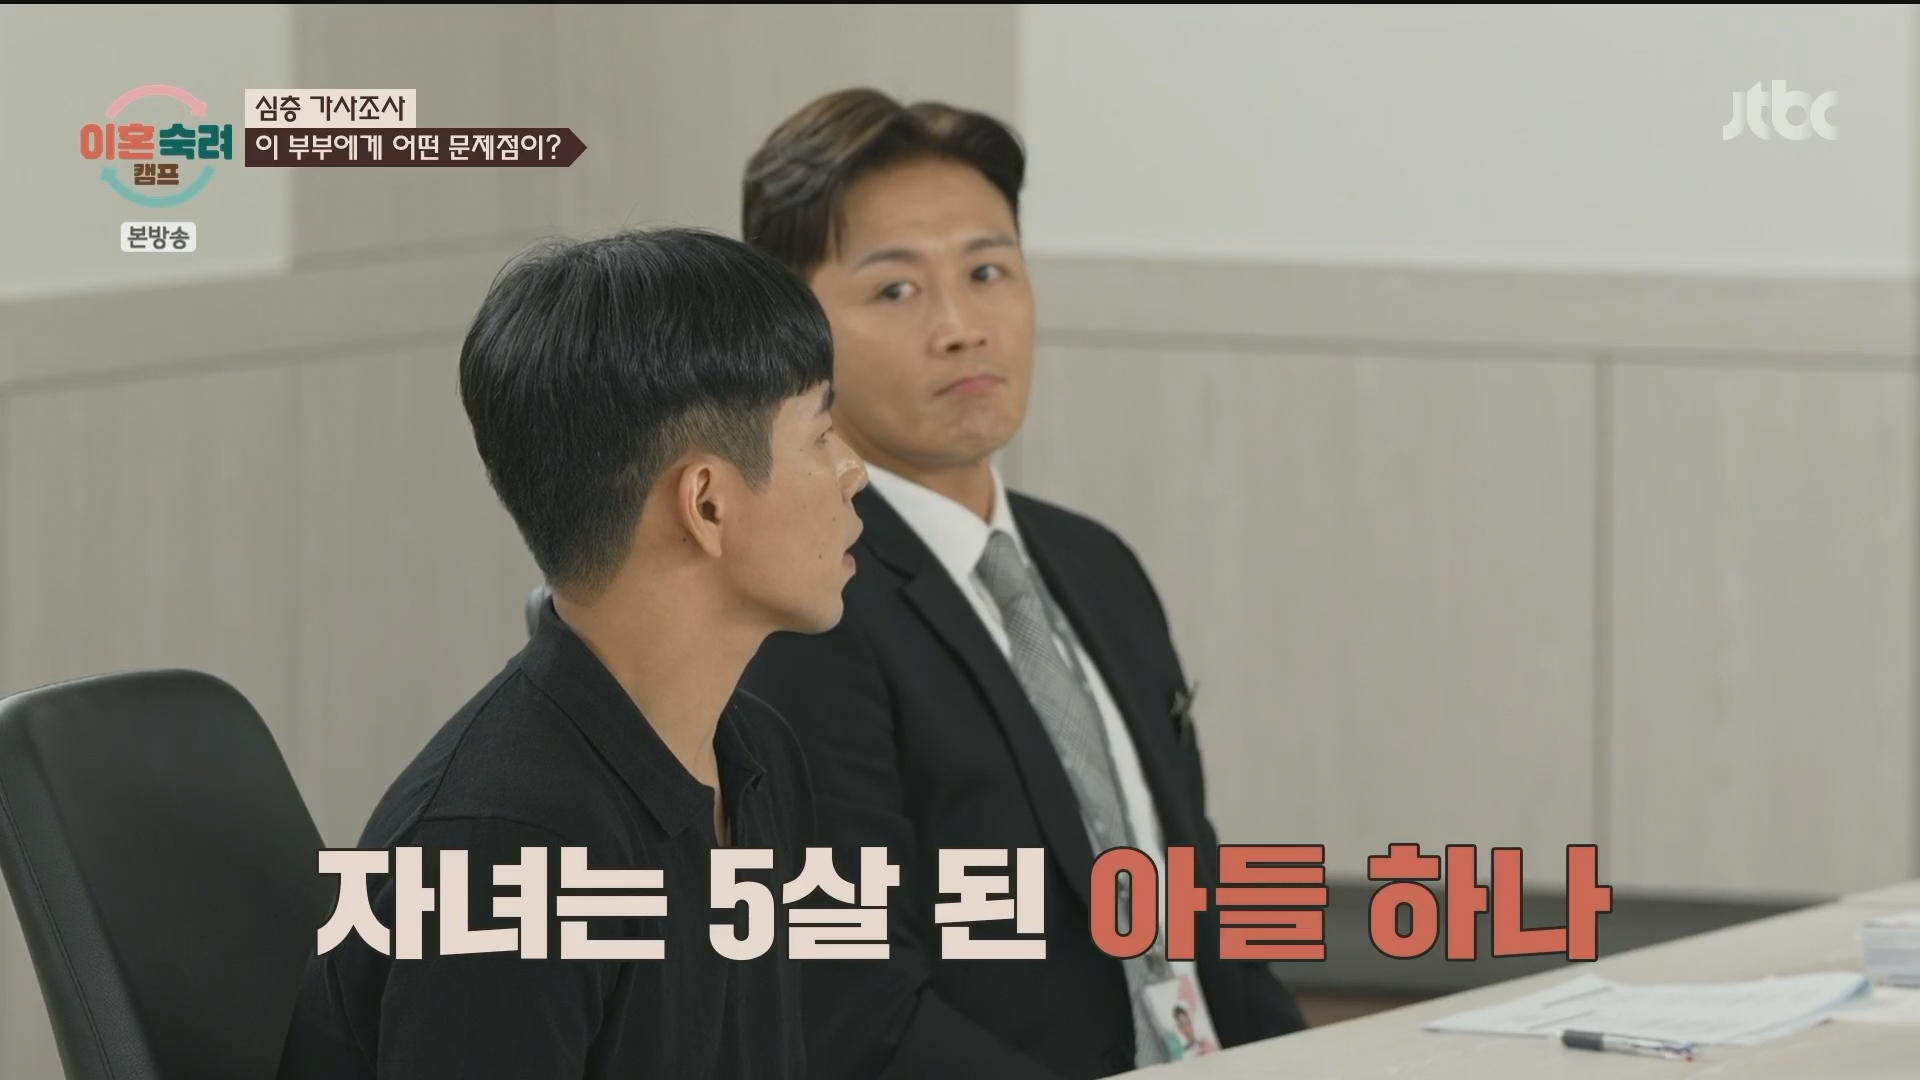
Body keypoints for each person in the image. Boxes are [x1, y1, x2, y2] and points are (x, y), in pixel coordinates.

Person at [737, 89, 1307, 1079]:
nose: (962, 327)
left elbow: (1200, 912)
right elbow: (855, 1013)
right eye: (896, 290)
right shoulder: (804, 614)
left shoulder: (1096, 565)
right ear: (792, 330)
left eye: (988, 271)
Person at [276, 227, 869, 1079]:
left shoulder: (757, 758)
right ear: (706, 504)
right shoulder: (508, 854)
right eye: (821, 435)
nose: (854, 471)